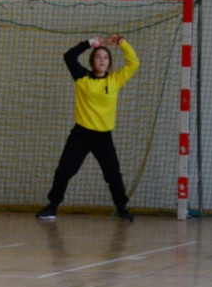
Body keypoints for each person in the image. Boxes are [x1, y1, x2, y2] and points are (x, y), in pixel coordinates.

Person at [36, 34, 139, 221]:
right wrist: (89, 43)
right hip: (81, 135)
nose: (102, 60)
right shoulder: (82, 78)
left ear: (109, 62)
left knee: (113, 175)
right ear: (92, 61)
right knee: (64, 171)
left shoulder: (115, 80)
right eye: (98, 57)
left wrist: (122, 43)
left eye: (106, 57)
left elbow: (134, 63)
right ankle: (52, 207)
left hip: (103, 137)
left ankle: (122, 209)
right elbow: (69, 56)